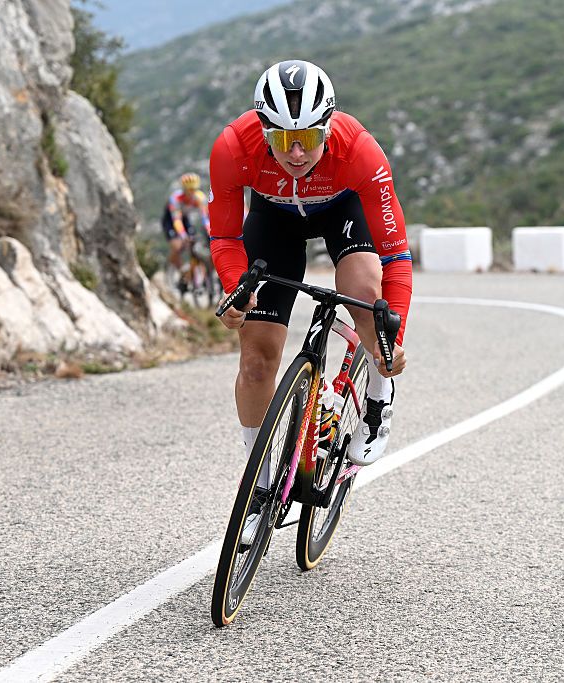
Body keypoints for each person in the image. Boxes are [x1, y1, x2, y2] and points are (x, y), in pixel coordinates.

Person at [209, 60, 412, 540]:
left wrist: (393, 333)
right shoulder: (233, 147)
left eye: (309, 137)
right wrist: (239, 287)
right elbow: (223, 237)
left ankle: (379, 400)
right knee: (257, 360)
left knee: (364, 294)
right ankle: (258, 489)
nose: (296, 152)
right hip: (274, 221)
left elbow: (396, 255)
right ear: (262, 130)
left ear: (328, 125)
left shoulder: (360, 151)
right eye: (280, 139)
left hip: (343, 210)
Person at [161, 172, 210, 291]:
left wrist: (210, 232)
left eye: (194, 189)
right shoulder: (175, 198)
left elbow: (205, 219)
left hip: (185, 219)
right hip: (171, 220)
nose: (191, 192)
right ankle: (180, 267)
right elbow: (177, 220)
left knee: (193, 244)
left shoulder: (200, 198)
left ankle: (195, 273)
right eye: (189, 190)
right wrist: (183, 235)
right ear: (184, 189)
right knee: (178, 246)